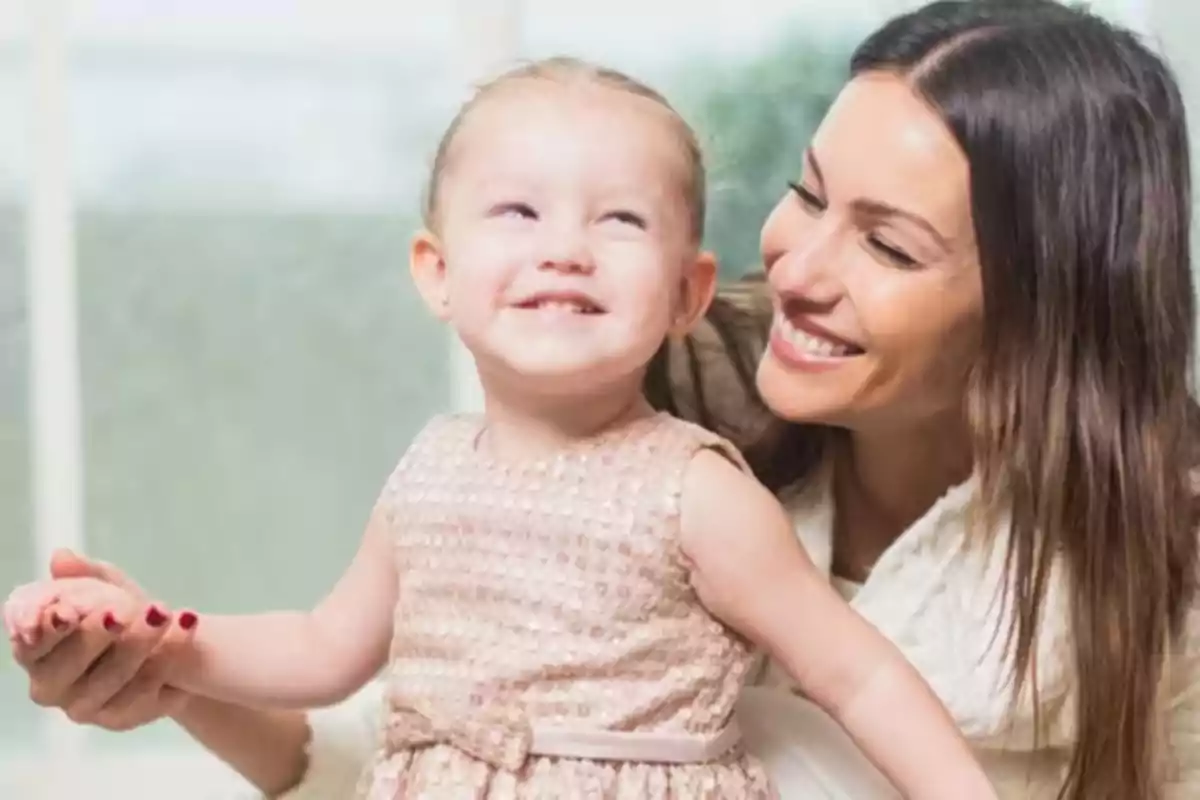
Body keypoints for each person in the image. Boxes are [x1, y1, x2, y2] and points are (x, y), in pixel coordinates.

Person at [11, 0, 1200, 798]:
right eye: (806, 191)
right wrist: (172, 663)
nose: (793, 264)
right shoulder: (571, 417)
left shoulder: (1149, 570)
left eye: (887, 247)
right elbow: (393, 718)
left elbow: (862, 678)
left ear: (1043, 315)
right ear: (435, 267)